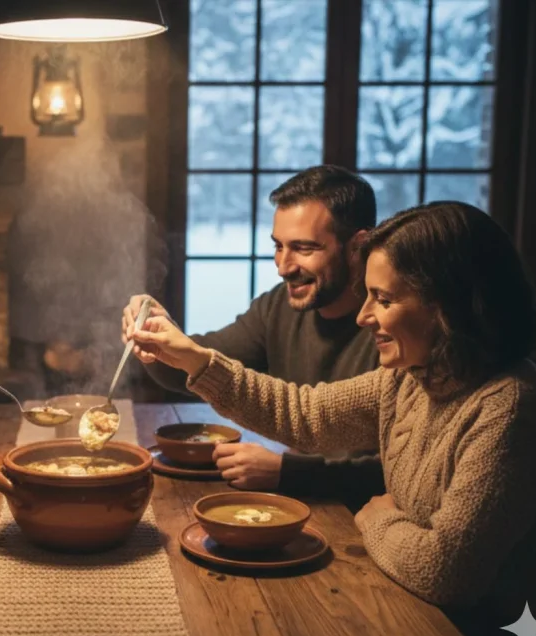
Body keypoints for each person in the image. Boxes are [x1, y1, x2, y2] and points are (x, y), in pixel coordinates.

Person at [129, 201, 536, 627]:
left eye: (383, 298)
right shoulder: (415, 376)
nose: (363, 315)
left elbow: (444, 572)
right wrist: (193, 358)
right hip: (418, 608)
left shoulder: (511, 408)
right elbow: (303, 413)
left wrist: (376, 515)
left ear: (449, 308)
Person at [123, 165, 380, 499]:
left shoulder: (392, 326)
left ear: (357, 246)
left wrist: (289, 473)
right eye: (278, 246)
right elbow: (204, 367)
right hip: (301, 503)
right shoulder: (279, 307)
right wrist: (158, 337)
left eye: (303, 248)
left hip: (360, 517)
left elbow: (400, 474)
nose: (283, 266)